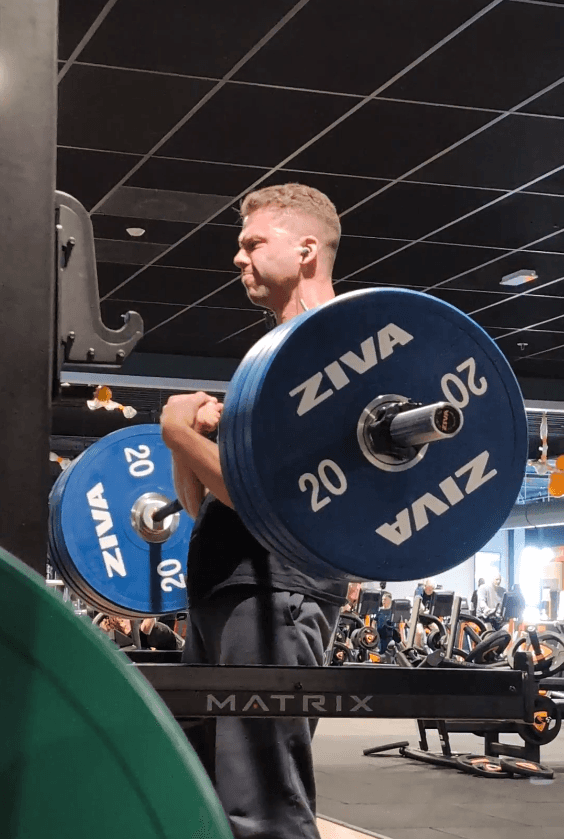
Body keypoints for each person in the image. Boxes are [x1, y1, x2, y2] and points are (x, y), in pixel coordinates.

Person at [160, 184, 349, 839]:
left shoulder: (337, 347)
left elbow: (269, 498)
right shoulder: (265, 359)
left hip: (279, 594)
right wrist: (192, 438)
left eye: (250, 243)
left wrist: (176, 433)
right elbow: (202, 500)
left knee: (262, 806)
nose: (237, 259)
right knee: (204, 790)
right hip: (226, 588)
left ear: (304, 249)